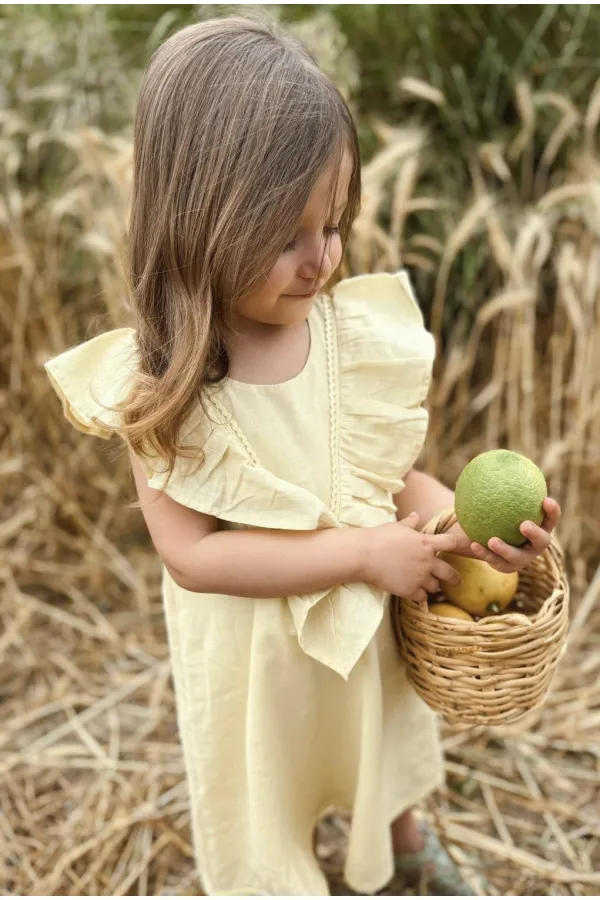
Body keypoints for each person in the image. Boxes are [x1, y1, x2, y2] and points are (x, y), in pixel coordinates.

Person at [43, 12, 561, 897]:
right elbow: (193, 555)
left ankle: (397, 839)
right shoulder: (161, 380)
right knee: (269, 794)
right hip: (257, 664)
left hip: (361, 626)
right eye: (289, 236)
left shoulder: (346, 334)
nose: (322, 257)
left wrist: (455, 529)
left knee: (376, 741)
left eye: (336, 223)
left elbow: (396, 476)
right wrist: (363, 552)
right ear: (200, 219)